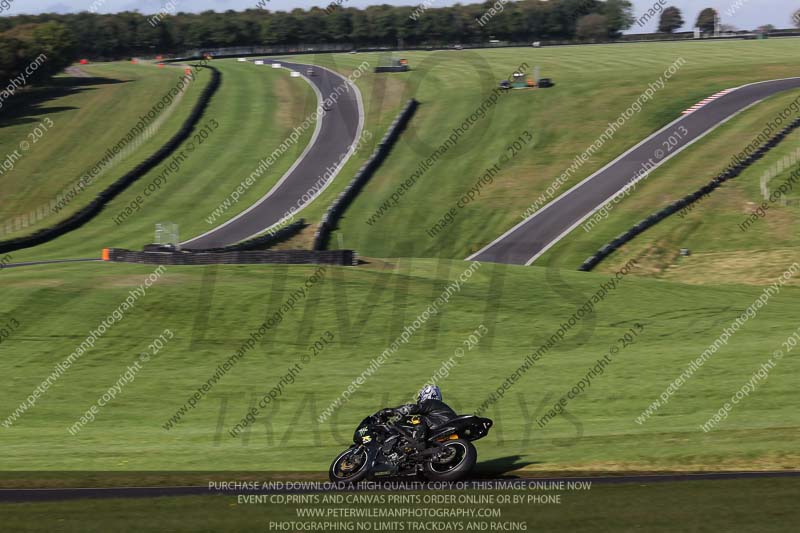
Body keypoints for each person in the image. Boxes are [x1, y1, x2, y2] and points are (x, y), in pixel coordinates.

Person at [376, 384, 457, 430]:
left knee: (414, 419)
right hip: (445, 428)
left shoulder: (431, 402)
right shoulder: (438, 407)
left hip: (440, 426)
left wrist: (392, 411)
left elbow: (412, 408)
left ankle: (417, 443)